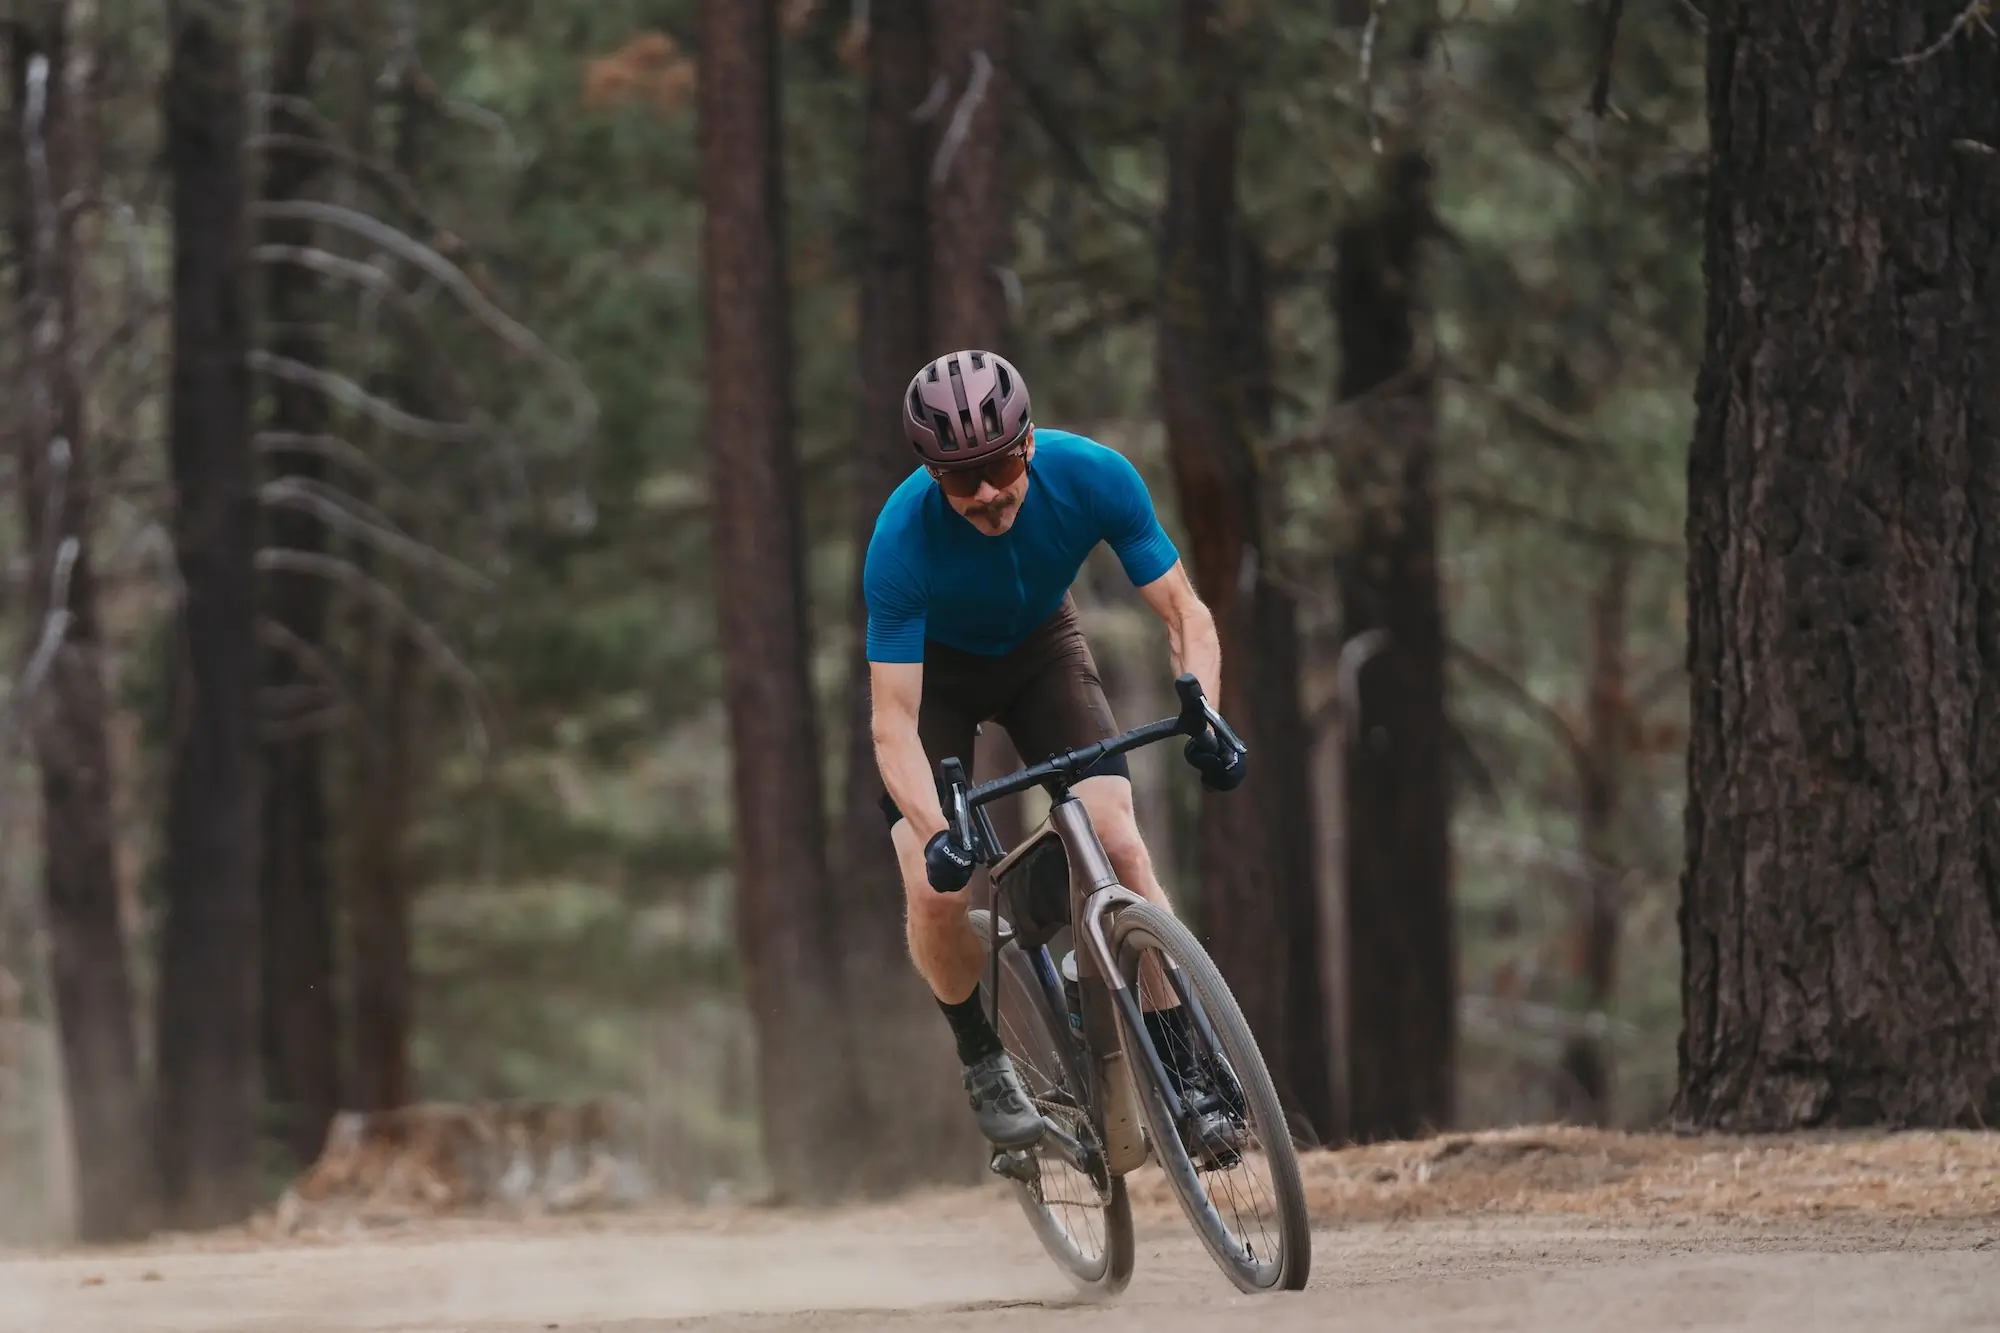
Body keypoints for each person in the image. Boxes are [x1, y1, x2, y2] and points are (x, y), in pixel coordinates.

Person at [865, 347, 1245, 1151]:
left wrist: (1205, 712)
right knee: (935, 886)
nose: (989, 492)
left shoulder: (1094, 475)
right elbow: (894, 724)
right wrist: (938, 836)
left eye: (1000, 465)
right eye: (963, 479)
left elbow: (1187, 616)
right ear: (933, 476)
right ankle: (981, 1056)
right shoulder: (900, 539)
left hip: (1042, 646)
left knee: (1118, 841)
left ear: (1029, 441)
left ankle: (1185, 1069)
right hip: (938, 676)